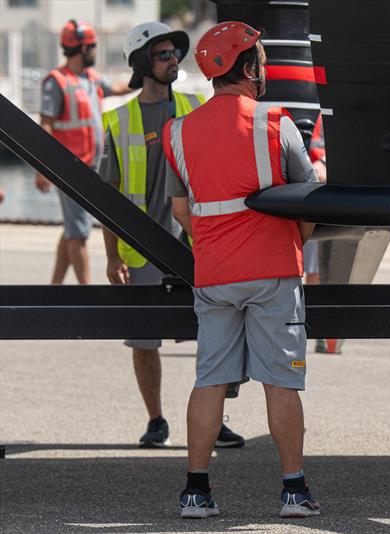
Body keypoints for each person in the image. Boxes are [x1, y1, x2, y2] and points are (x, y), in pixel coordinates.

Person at [162, 21, 319, 519]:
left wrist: (211, 245)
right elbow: (307, 201)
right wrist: (293, 242)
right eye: (261, 59)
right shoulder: (277, 122)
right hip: (273, 271)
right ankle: (293, 491)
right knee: (282, 381)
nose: (265, 66)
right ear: (247, 67)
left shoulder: (179, 130)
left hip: (214, 275)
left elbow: (180, 210)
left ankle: (196, 492)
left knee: (209, 379)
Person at [99, 21, 243, 449]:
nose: (173, 60)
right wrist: (111, 255)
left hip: (196, 245)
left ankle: (213, 421)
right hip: (139, 251)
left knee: (214, 336)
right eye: (163, 55)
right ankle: (156, 420)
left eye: (174, 53)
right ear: (143, 63)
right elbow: (107, 195)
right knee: (145, 341)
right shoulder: (118, 120)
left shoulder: (197, 106)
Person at [36, 20, 131, 285]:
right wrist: (42, 168)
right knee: (79, 232)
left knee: (72, 228)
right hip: (69, 168)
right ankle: (86, 289)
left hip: (91, 166)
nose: (95, 51)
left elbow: (118, 88)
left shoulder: (91, 78)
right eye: (92, 46)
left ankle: (55, 286)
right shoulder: (56, 82)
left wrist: (143, 77)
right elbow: (45, 125)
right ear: (80, 48)